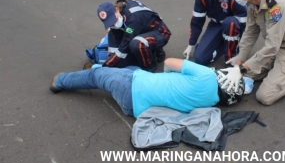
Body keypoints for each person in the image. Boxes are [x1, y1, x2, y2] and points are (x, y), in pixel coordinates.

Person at [49, 58, 245, 117]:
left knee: (95, 75)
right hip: (135, 108)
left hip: (132, 87)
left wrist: (169, 76)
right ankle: (104, 69)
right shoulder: (212, 103)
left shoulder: (205, 74)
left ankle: (59, 82)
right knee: (133, 68)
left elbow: (168, 62)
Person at [183, 0, 247, 66]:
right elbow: (196, 21)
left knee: (230, 23)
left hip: (233, 27)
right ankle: (223, 45)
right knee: (200, 59)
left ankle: (230, 57)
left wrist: (243, 52)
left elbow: (244, 23)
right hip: (216, 25)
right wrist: (191, 44)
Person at [97, 0, 171, 72]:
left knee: (137, 44)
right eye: (110, 23)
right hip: (143, 28)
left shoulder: (132, 18)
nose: (114, 24)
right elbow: (114, 40)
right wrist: (112, 56)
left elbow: (124, 46)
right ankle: (152, 50)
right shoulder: (121, 10)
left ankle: (150, 67)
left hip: (160, 32)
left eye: (114, 20)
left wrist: (106, 66)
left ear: (116, 10)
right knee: (115, 31)